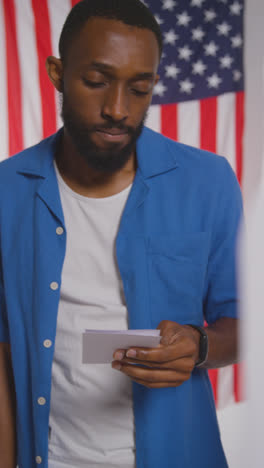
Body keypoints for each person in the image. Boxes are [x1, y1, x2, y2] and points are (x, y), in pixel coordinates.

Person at [0, 1, 243, 467]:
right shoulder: (7, 191)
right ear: (57, 73)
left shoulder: (208, 180)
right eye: (96, 82)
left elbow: (246, 323)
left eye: (139, 88)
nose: (117, 109)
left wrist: (200, 345)